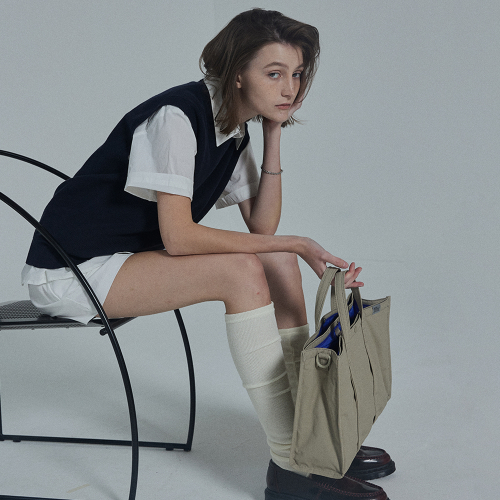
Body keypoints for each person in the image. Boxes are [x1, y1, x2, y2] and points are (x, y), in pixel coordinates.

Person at [22, 8, 394, 500]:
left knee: (278, 262)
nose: (290, 88)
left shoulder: (233, 129)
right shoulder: (178, 118)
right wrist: (297, 242)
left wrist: (273, 133)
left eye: (297, 74)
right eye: (274, 74)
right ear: (238, 73)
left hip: (123, 258)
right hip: (72, 270)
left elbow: (262, 225)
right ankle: (293, 465)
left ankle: (316, 439)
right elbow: (179, 238)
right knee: (243, 271)